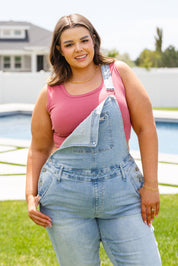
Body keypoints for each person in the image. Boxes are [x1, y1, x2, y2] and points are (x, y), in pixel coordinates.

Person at [26, 13, 162, 266]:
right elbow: (39, 148)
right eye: (69, 44)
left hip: (122, 195)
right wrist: (30, 195)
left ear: (94, 40)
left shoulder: (119, 72)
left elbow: (146, 129)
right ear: (60, 49)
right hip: (65, 200)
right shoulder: (50, 92)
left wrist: (151, 185)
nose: (79, 49)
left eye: (84, 40)